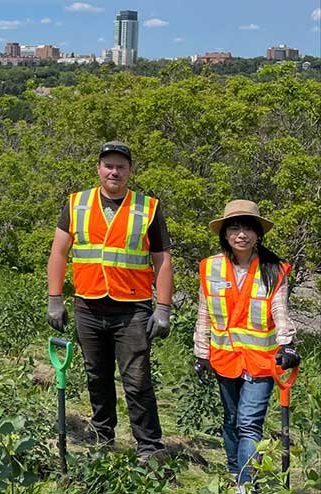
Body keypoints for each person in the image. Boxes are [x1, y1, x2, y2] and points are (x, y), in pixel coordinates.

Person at [46, 141, 173, 460]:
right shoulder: (76, 204)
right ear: (99, 168)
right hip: (88, 305)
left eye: (121, 166)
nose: (114, 171)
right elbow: (59, 252)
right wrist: (55, 298)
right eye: (108, 165)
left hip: (132, 308)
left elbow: (163, 261)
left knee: (137, 378)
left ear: (130, 171)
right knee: (96, 375)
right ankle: (103, 436)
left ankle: (149, 446)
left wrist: (163, 308)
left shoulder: (148, 207)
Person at [193, 200, 300, 489]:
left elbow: (280, 310)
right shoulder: (209, 268)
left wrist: (287, 345)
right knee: (230, 421)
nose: (242, 234)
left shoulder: (273, 270)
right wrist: (201, 354)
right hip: (224, 360)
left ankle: (245, 483)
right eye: (235, 228)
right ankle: (233, 472)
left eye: (248, 228)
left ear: (258, 234)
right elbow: (204, 314)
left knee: (248, 423)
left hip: (262, 362)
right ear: (225, 234)